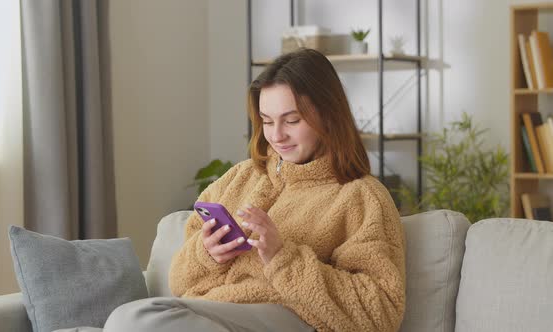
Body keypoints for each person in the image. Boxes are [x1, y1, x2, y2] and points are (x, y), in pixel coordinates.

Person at [104, 48, 406, 332]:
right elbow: (180, 282)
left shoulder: (361, 196)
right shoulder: (241, 176)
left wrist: (282, 258)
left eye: (292, 120)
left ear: (328, 114)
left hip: (287, 316)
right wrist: (207, 253)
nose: (276, 135)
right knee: (129, 317)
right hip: (211, 312)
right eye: (266, 121)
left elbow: (380, 310)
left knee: (137, 318)